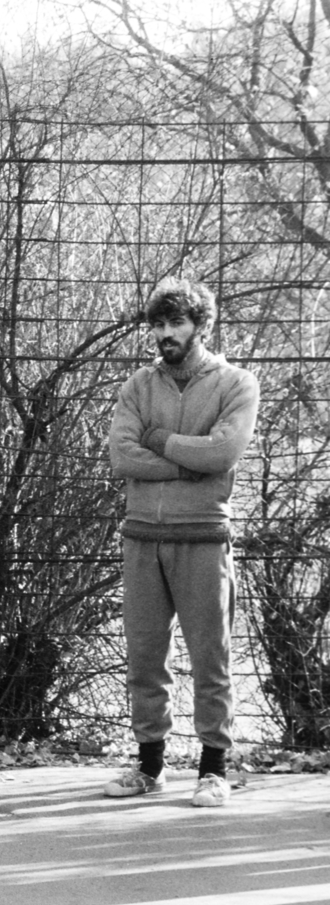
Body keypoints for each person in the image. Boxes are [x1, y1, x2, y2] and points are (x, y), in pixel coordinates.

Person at [104, 278, 259, 807]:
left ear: (201, 325)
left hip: (203, 537)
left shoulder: (236, 384)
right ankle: (149, 767)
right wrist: (184, 462)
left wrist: (161, 443)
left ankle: (213, 770)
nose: (166, 334)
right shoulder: (138, 386)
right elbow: (122, 456)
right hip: (142, 536)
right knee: (145, 655)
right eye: (159, 325)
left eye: (177, 323)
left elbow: (223, 453)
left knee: (210, 655)